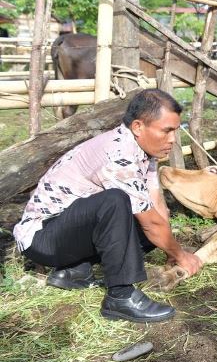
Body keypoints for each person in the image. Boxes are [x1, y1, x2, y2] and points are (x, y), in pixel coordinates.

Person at [13, 89, 202, 323]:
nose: (173, 139)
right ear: (138, 127)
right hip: (42, 238)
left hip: (67, 234)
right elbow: (150, 222)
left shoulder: (145, 153)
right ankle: (120, 297)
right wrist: (181, 255)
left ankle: (74, 271)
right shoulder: (118, 154)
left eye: (176, 130)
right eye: (167, 131)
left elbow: (155, 206)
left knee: (148, 223)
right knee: (116, 201)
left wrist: (169, 251)